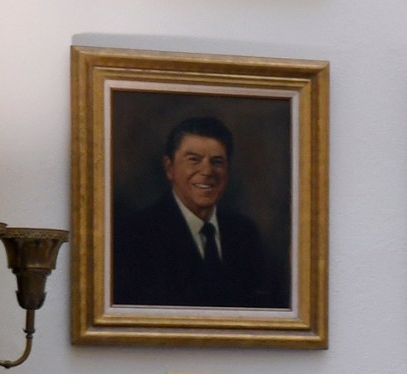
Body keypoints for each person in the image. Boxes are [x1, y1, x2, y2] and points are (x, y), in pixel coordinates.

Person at [111, 116, 285, 309]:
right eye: (194, 160)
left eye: (217, 162)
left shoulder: (244, 233)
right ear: (169, 168)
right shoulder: (135, 235)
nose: (207, 171)